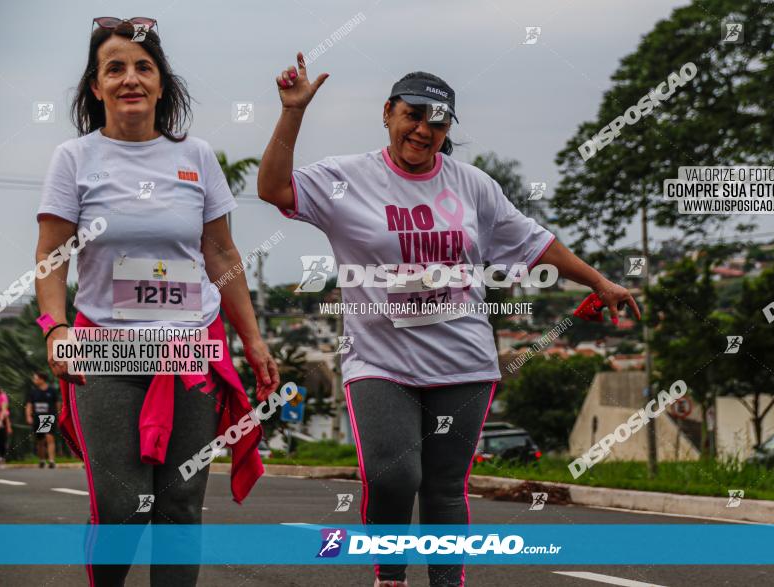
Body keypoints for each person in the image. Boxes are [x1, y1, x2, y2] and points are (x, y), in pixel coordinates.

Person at [258, 54, 640, 587]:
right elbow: (274, 189)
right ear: (388, 112)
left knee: (443, 487)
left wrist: (599, 280)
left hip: (462, 360)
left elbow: (534, 242)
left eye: (437, 122)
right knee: (395, 474)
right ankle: (390, 575)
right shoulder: (347, 178)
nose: (422, 130)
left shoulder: (472, 185)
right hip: (379, 359)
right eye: (412, 115)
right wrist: (292, 112)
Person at [35, 17, 279, 587]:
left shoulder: (196, 155)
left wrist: (253, 338)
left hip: (190, 350)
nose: (130, 79)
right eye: (114, 68)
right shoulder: (73, 159)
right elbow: (51, 257)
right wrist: (55, 327)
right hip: (106, 355)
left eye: (143, 67)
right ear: (95, 87)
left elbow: (222, 256)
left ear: (161, 83)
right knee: (122, 508)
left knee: (179, 507)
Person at [25, 372, 59, 468]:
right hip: (37, 418)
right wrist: (28, 416)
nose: (34, 380)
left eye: (35, 378)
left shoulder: (52, 391)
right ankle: (42, 459)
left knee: (49, 437)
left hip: (49, 417)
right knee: (40, 441)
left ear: (42, 379)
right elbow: (29, 405)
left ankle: (51, 461)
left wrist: (58, 415)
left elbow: (57, 404)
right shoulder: (33, 392)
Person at [0, 386, 12, 467]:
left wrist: (0, 421)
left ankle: (2, 458)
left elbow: (4, 410)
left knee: (2, 440)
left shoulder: (2, 396)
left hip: (1, 420)